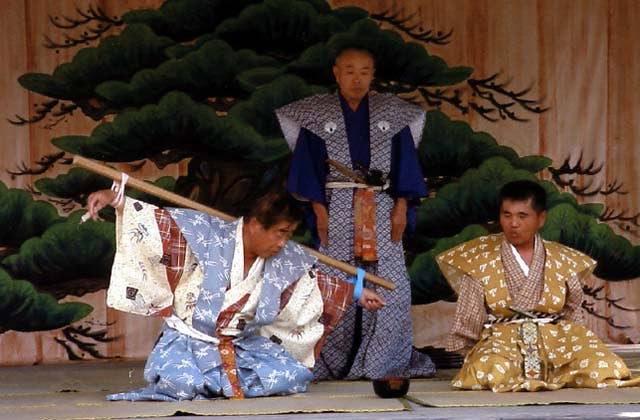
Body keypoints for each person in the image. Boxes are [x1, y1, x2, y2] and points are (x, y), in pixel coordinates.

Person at [85, 186, 386, 401]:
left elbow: (314, 283)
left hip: (242, 345)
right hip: (191, 342)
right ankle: (205, 381)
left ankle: (220, 383)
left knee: (291, 377)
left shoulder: (284, 257)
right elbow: (160, 224)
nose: (283, 243)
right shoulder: (207, 235)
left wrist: (359, 291)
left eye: (288, 234)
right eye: (280, 232)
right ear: (255, 225)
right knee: (181, 386)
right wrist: (116, 198)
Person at [276, 46, 435, 380]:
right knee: (335, 276)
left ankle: (384, 362)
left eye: (364, 71)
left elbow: (405, 164)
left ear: (373, 74)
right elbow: (307, 169)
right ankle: (331, 360)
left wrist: (402, 207)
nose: (357, 78)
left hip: (383, 204)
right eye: (349, 70)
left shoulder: (393, 114)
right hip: (335, 206)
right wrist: (319, 212)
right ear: (336, 73)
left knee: (390, 282)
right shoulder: (316, 114)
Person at [437, 179, 640, 392]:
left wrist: (576, 344)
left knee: (606, 367)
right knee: (490, 370)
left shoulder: (562, 259)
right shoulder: (479, 260)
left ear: (541, 219)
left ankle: (555, 371)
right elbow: (470, 317)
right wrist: (475, 352)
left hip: (556, 342)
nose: (513, 223)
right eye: (507, 215)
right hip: (504, 343)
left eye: (522, 216)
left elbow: (572, 312)